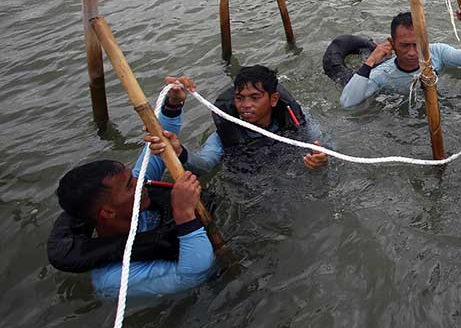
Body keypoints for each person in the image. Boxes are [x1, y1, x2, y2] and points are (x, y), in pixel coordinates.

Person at [52, 159, 213, 298]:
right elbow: (194, 276)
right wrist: (184, 213)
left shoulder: (129, 201)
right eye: (130, 185)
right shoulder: (113, 279)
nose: (141, 182)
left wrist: (167, 131)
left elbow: (155, 147)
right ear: (108, 212)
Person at [146, 66, 328, 172]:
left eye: (255, 98)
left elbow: (324, 144)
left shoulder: (295, 117)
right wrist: (179, 152)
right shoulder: (222, 136)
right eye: (240, 98)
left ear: (273, 100)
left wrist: (320, 158)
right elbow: (205, 164)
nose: (245, 105)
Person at [339, 5, 461, 108]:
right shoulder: (383, 74)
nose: (412, 53)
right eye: (405, 45)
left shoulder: (437, 52)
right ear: (392, 43)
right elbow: (347, 103)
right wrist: (370, 61)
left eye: (417, 45)